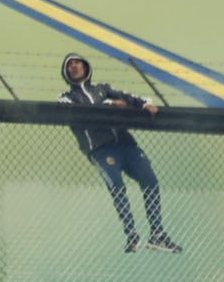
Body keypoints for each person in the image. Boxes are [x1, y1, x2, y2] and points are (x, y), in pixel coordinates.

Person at [57, 53, 181, 254]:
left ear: (86, 67)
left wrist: (144, 104)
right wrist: (109, 105)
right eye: (69, 65)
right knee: (117, 186)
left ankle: (157, 235)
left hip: (126, 144)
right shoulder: (65, 97)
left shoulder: (103, 89)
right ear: (66, 72)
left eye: (77, 63)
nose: (73, 66)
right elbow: (78, 112)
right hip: (100, 150)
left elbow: (129, 98)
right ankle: (132, 235)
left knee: (150, 181)